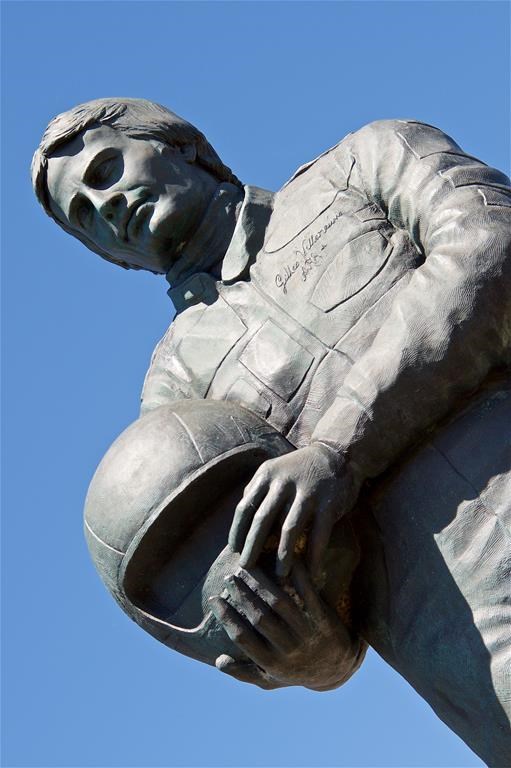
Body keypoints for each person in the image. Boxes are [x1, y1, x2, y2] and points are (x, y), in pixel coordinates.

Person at [32, 98, 511, 764]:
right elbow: (255, 594)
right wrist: (309, 654)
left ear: (184, 147)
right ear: (112, 259)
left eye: (107, 168)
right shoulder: (175, 406)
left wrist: (337, 449)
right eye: (85, 215)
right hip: (478, 649)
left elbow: (491, 251)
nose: (105, 203)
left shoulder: (363, 163)